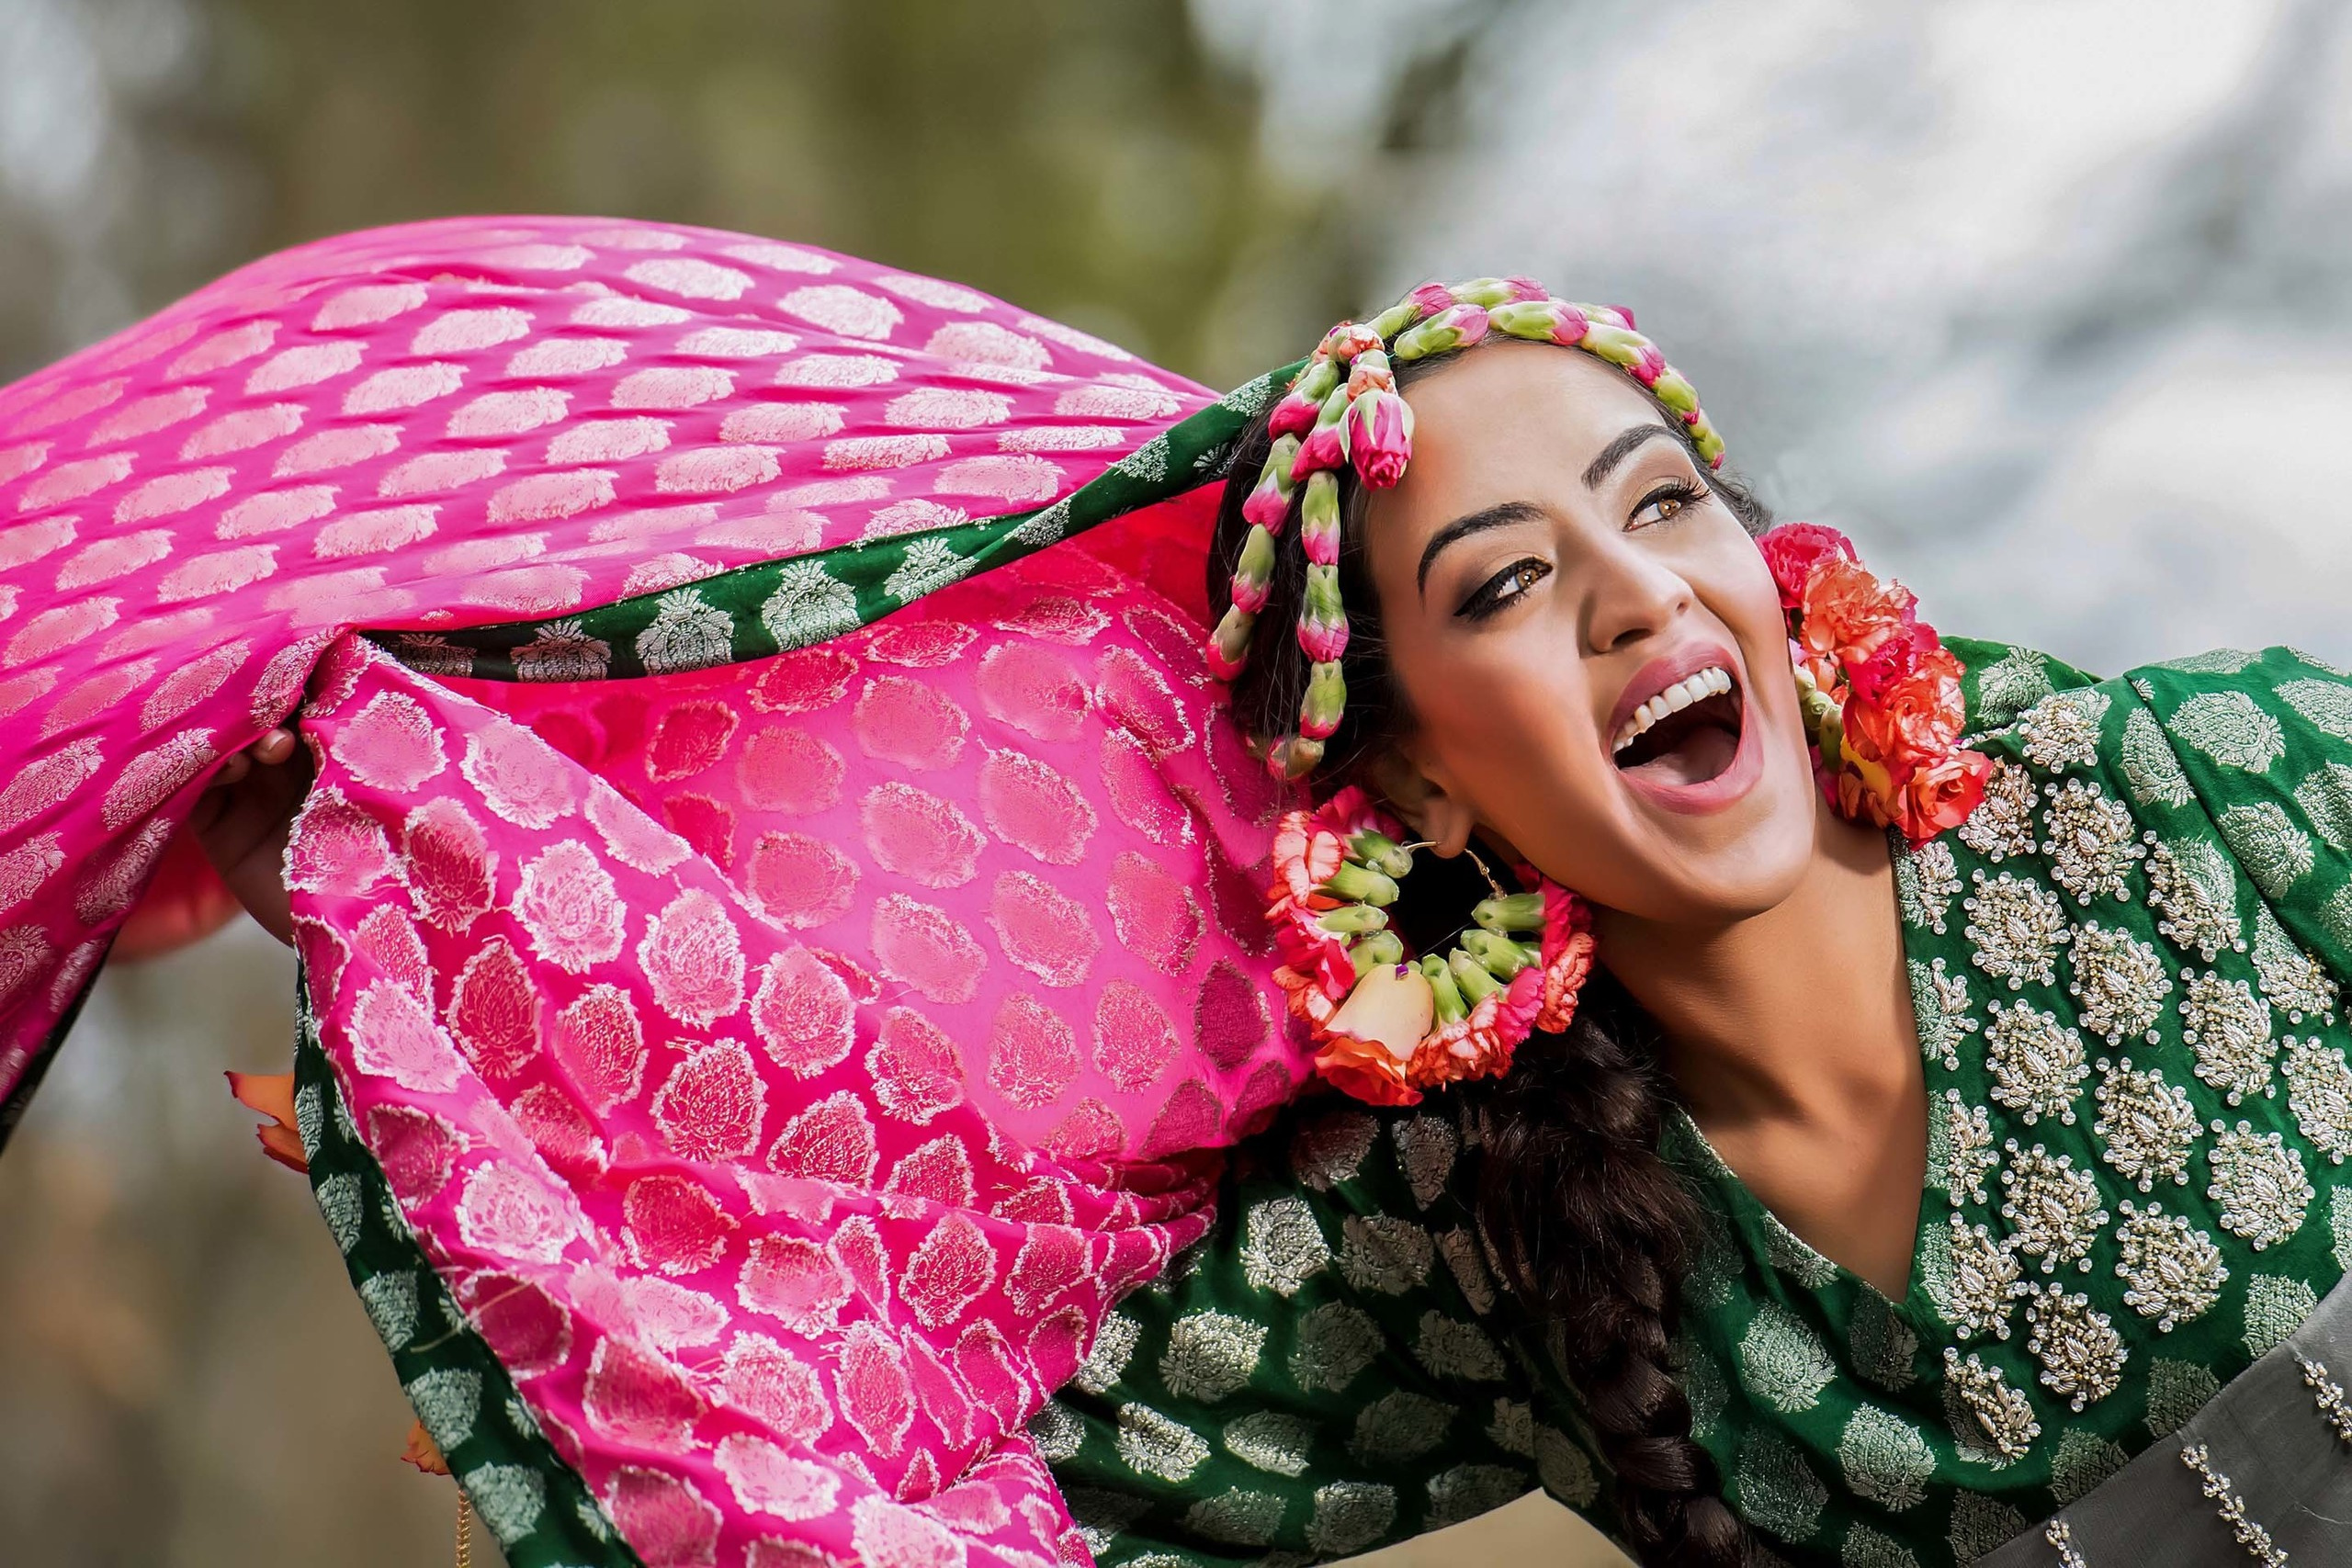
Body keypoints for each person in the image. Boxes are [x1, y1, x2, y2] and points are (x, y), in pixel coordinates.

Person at [1, 224, 2345, 1568]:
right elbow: (964, 1479)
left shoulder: (2201, 788)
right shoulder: (1472, 1215)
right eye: (1512, 580)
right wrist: (477, 993)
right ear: (1412, 754)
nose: (1636, 597)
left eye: (1666, 506)